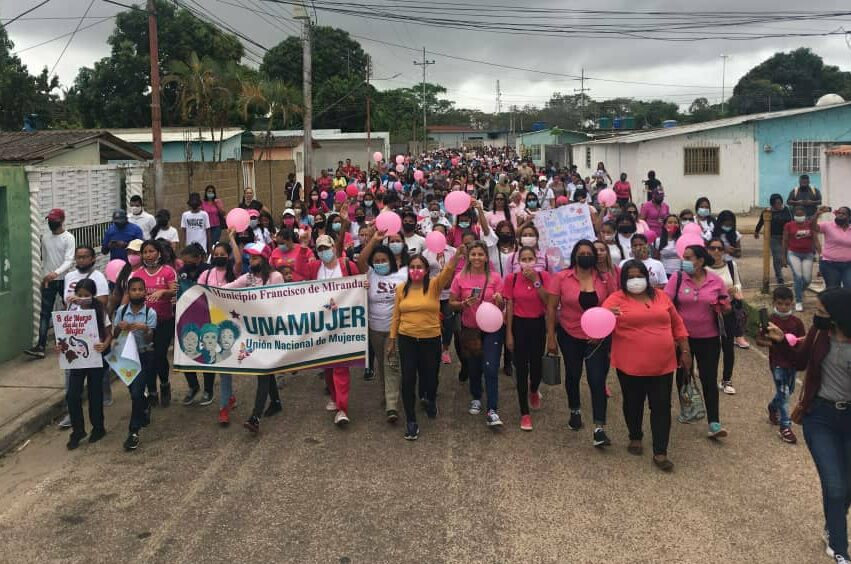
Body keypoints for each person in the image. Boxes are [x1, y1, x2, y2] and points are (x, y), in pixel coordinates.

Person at [766, 288, 851, 561]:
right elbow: (799, 362)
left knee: (847, 486)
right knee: (834, 484)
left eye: (822, 312)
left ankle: (832, 523)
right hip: (820, 416)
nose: (816, 316)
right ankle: (840, 548)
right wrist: (781, 341)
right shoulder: (818, 333)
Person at [602, 260, 689, 471]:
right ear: (624, 279)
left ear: (647, 277)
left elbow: (677, 323)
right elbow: (600, 325)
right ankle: (635, 436)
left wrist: (685, 350)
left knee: (661, 406)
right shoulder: (615, 299)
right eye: (630, 277)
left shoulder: (661, 296)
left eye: (639, 276)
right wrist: (607, 316)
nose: (635, 280)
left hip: (662, 364)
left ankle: (660, 451)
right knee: (633, 402)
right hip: (629, 365)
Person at [546, 240, 618, 446]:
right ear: (574, 255)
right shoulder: (561, 277)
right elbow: (551, 308)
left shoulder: (604, 278)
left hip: (598, 337)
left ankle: (599, 428)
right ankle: (575, 410)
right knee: (573, 374)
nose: (585, 256)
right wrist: (550, 337)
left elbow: (613, 305)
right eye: (581, 253)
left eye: (589, 253)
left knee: (597, 379)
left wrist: (603, 331)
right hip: (569, 334)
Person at [389, 248, 462, 439]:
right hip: (407, 339)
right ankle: (411, 421)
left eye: (419, 267)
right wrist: (392, 339)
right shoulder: (401, 289)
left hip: (430, 339)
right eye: (412, 267)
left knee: (430, 377)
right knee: (408, 379)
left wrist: (457, 255)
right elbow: (396, 316)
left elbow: (448, 271)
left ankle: (430, 399)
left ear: (427, 270)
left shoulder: (435, 286)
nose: (416, 270)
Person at [665, 244, 729, 439]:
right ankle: (687, 410)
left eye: (688, 257)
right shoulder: (677, 278)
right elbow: (666, 304)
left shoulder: (715, 281)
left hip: (709, 339)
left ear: (700, 261)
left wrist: (723, 306)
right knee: (683, 375)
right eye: (683, 257)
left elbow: (726, 305)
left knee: (709, 378)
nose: (684, 261)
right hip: (682, 338)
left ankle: (714, 422)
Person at [298, 234, 361, 426]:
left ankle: (342, 408)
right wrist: (303, 248)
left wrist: (363, 285)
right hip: (322, 326)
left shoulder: (347, 265)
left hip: (343, 325)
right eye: (320, 249)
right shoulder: (314, 267)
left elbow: (358, 285)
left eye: (327, 247)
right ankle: (334, 397)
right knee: (327, 366)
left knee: (341, 367)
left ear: (334, 247)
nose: (324, 251)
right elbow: (299, 277)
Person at [225, 243, 285, 434]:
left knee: (263, 370)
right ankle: (275, 402)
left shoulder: (276, 277)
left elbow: (281, 303)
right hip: (255, 332)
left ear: (265, 259)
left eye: (255, 258)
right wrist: (202, 290)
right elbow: (227, 288)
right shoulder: (248, 277)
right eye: (250, 258)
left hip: (271, 331)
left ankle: (255, 417)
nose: (251, 261)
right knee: (266, 369)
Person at [450, 241, 506, 428]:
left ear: (486, 257)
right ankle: (476, 396)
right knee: (474, 367)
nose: (477, 258)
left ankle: (492, 409)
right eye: (473, 254)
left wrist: (499, 300)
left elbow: (502, 305)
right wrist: (462, 304)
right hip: (470, 329)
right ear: (468, 257)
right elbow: (451, 303)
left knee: (491, 367)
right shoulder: (460, 278)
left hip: (492, 330)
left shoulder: (495, 278)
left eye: (480, 254)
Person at [358, 229, 407, 422]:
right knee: (382, 363)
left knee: (391, 363)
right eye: (376, 261)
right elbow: (361, 260)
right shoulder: (370, 274)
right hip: (375, 330)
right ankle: (386, 393)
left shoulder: (402, 275)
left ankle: (392, 405)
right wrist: (374, 240)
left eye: (383, 260)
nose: (380, 263)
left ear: (391, 260)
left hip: (395, 330)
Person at [504, 246, 551, 431]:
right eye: (523, 259)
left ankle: (534, 389)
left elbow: (548, 301)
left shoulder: (544, 276)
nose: (527, 262)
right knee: (521, 368)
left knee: (537, 366)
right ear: (518, 262)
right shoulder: (512, 278)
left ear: (536, 260)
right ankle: (524, 413)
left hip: (537, 325)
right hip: (519, 325)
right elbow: (509, 305)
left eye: (530, 259)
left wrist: (535, 281)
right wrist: (509, 333)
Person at [63, 278, 112, 450]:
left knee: (95, 393)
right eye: (79, 294)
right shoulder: (71, 310)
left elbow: (109, 334)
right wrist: (60, 346)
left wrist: (104, 345)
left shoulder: (100, 310)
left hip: (95, 358)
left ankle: (98, 427)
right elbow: (65, 332)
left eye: (86, 295)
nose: (82, 298)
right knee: (72, 395)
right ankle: (78, 430)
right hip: (77, 359)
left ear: (93, 295)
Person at [756, 286, 805, 444]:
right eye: (780, 304)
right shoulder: (770, 321)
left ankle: (772, 406)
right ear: (774, 303)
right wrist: (773, 343)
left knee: (788, 390)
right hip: (777, 363)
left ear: (792, 303)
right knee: (784, 394)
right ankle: (785, 426)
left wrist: (797, 343)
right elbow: (759, 340)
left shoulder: (797, 322)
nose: (783, 307)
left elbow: (803, 341)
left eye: (787, 304)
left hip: (792, 362)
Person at [199, 239, 241, 425]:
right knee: (220, 363)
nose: (218, 257)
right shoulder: (206, 274)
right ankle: (229, 397)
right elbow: (196, 292)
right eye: (215, 255)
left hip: (230, 324)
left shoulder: (234, 273)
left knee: (224, 364)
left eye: (222, 254)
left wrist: (232, 239)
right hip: (211, 323)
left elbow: (238, 261)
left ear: (228, 255)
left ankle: (224, 408)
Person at [113, 277, 157, 451]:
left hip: (144, 355)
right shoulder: (122, 310)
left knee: (137, 392)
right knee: (133, 391)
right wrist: (120, 327)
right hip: (126, 357)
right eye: (133, 290)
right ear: (128, 292)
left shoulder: (150, 313)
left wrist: (145, 329)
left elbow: (150, 337)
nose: (137, 293)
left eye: (140, 289)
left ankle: (133, 431)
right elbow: (115, 333)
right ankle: (145, 404)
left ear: (145, 292)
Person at [25, 208, 75, 359]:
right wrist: (44, 277)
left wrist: (56, 273)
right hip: (49, 280)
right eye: (50, 220)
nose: (52, 223)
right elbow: (45, 260)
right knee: (45, 313)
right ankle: (41, 346)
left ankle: (72, 341)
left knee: (70, 310)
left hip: (64, 279)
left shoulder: (68, 238)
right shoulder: (45, 238)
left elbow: (69, 260)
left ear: (62, 220)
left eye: (55, 220)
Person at [133, 240, 177, 408]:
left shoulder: (167, 271)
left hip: (164, 321)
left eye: (151, 251)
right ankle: (151, 390)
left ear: (159, 253)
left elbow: (174, 290)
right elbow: (131, 293)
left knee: (159, 355)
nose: (148, 255)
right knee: (147, 357)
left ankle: (164, 384)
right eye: (145, 252)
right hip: (143, 324)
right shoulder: (137, 274)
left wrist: (163, 292)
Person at [706, 237, 746, 394]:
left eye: (720, 248)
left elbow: (738, 283)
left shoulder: (731, 265)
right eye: (712, 248)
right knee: (711, 348)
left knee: (728, 346)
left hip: (727, 311)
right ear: (707, 250)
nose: (716, 251)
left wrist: (735, 289)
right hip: (708, 313)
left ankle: (726, 380)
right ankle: (709, 377)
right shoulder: (703, 268)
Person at [782, 205, 820, 311]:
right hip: (793, 253)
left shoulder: (810, 225)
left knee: (807, 279)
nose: (799, 217)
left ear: (805, 215)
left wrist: (819, 253)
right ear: (794, 215)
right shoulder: (789, 225)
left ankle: (799, 290)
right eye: (797, 215)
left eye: (801, 215)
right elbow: (785, 241)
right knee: (798, 277)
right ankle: (798, 301)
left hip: (808, 254)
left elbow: (815, 239)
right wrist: (783, 257)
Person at [755, 194, 793, 285]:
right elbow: (761, 222)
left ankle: (797, 276)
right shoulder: (767, 212)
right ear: (772, 204)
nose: (779, 205)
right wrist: (756, 231)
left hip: (787, 237)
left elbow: (792, 221)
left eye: (780, 203)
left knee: (789, 257)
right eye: (776, 203)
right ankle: (779, 278)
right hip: (774, 238)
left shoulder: (787, 210)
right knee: (777, 257)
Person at [812, 206, 851, 290]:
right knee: (833, 290)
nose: (840, 215)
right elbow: (813, 227)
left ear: (849, 217)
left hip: (849, 265)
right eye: (839, 213)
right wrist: (817, 214)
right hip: (830, 265)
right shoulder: (828, 225)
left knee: (849, 288)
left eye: (843, 213)